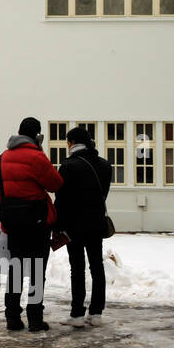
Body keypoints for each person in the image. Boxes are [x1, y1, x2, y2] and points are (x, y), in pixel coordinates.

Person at [0, 117, 63, 332]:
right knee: (36, 272)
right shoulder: (36, 158)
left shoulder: (0, 160)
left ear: (18, 132)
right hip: (38, 224)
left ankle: (12, 317)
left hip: (13, 224)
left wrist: (10, 215)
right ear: (37, 136)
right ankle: (35, 319)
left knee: (16, 270)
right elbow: (56, 183)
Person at [54, 126, 112, 328]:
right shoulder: (105, 166)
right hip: (96, 223)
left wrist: (57, 226)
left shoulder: (68, 166)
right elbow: (102, 195)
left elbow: (62, 201)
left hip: (74, 226)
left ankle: (77, 313)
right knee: (97, 266)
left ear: (71, 143)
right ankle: (96, 312)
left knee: (77, 268)